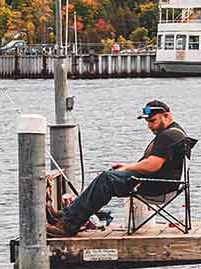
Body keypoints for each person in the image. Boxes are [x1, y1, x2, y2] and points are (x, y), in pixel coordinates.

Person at [51, 99, 188, 236]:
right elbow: (152, 164)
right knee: (108, 175)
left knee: (107, 180)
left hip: (157, 187)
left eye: (153, 121)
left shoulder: (169, 136)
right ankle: (68, 215)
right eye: (147, 122)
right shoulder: (175, 132)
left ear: (166, 115)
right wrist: (126, 167)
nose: (149, 126)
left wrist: (127, 169)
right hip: (159, 183)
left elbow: (151, 166)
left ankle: (68, 225)